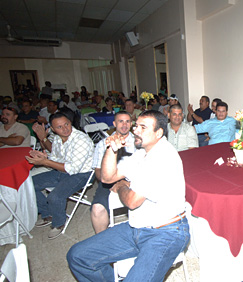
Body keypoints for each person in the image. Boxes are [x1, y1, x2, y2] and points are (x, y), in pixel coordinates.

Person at [67, 110, 189, 281]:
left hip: (166, 232)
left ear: (158, 133)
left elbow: (132, 201)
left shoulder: (163, 157)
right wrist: (112, 149)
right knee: (77, 256)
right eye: (136, 125)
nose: (135, 130)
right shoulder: (142, 153)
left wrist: (121, 187)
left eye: (142, 127)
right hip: (137, 227)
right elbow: (107, 177)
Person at [26, 112, 93, 239]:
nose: (65, 128)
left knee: (55, 197)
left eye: (66, 124)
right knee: (29, 184)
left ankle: (58, 223)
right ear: (52, 129)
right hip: (62, 171)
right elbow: (56, 157)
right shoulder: (57, 138)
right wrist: (46, 158)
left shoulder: (81, 139)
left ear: (70, 122)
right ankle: (47, 214)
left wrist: (45, 162)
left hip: (82, 174)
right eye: (59, 127)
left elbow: (72, 169)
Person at [91, 111, 135, 233]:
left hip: (135, 178)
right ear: (114, 123)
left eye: (127, 121)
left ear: (131, 124)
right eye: (121, 121)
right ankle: (101, 241)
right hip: (108, 179)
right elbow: (98, 171)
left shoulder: (138, 142)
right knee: (97, 209)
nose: (124, 125)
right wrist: (111, 181)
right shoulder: (103, 144)